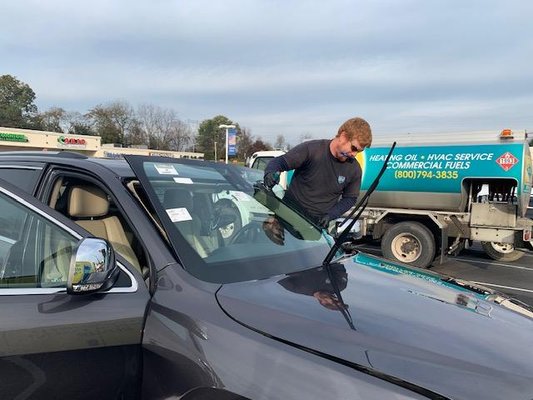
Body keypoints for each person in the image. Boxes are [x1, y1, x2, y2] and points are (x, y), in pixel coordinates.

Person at [263, 117, 372, 229]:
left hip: (315, 230)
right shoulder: (312, 150)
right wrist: (270, 173)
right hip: (286, 219)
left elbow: (350, 198)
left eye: (359, 151)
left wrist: (330, 215)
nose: (354, 154)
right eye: (353, 148)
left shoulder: (354, 169)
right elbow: (280, 162)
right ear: (343, 137)